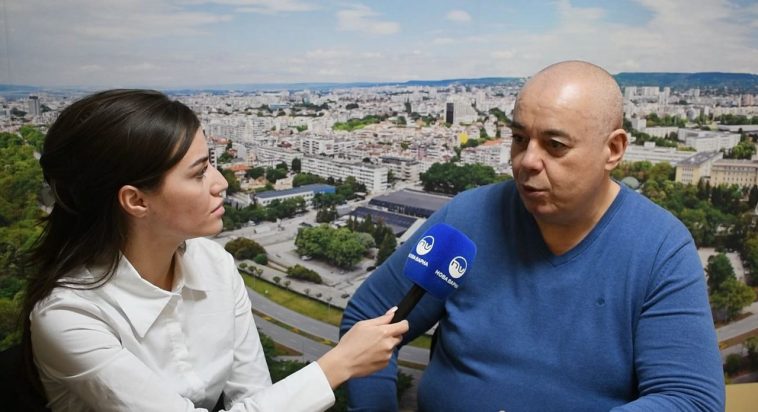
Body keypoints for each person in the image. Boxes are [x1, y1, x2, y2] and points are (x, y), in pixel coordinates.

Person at [340, 61, 725, 411]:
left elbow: (690, 400)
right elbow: (369, 320)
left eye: (555, 146)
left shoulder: (660, 249)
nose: (526, 161)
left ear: (613, 149)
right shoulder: (467, 218)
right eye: (520, 138)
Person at [20, 89, 409, 411]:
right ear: (136, 200)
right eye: (199, 172)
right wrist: (337, 365)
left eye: (212, 165)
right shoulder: (69, 317)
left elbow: (254, 396)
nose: (221, 183)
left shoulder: (214, 263)